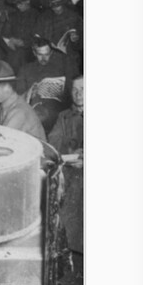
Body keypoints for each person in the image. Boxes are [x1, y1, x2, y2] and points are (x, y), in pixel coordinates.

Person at [48, 74, 84, 254]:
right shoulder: (64, 116)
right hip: (70, 172)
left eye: (84, 89)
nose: (79, 94)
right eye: (75, 90)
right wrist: (71, 155)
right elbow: (53, 144)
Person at [16, 36, 75, 133]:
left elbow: (70, 94)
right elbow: (18, 97)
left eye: (47, 54)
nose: (44, 58)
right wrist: (29, 93)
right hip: (34, 114)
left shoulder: (59, 69)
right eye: (40, 54)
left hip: (57, 114)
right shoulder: (25, 70)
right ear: (34, 53)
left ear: (51, 53)